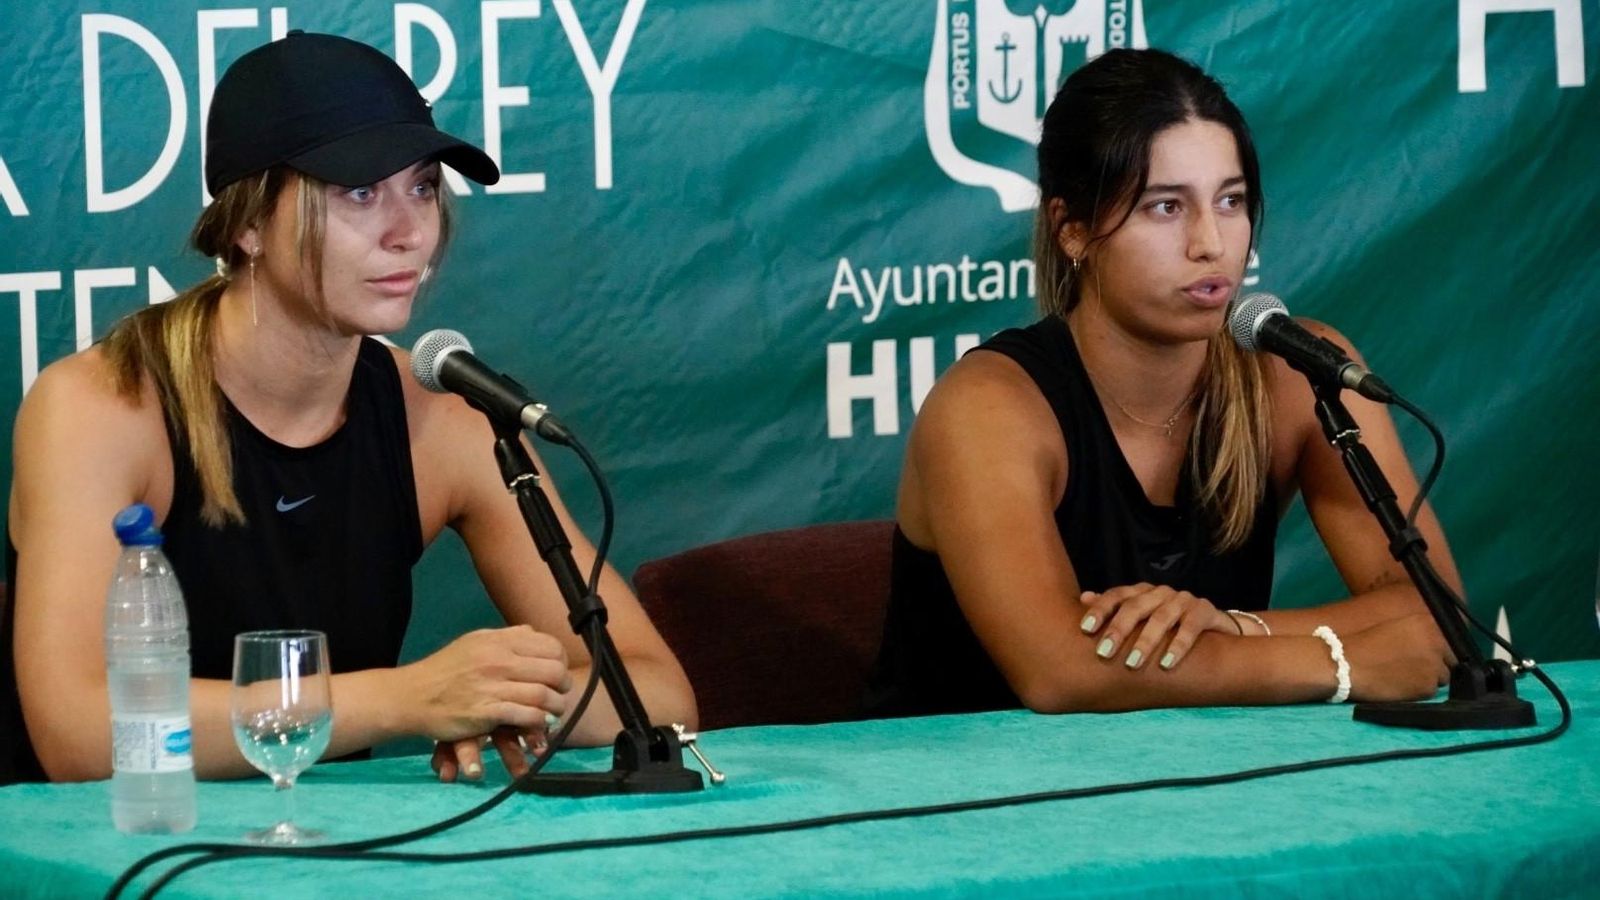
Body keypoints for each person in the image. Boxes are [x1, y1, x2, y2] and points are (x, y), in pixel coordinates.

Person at [2, 32, 695, 784]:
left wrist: (512, 699)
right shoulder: (101, 408)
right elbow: (77, 733)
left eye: (423, 187)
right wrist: (403, 701)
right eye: (360, 193)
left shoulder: (439, 416)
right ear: (249, 224)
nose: (410, 232)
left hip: (327, 855)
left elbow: (656, 688)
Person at [867, 49, 1455, 717]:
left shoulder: (1294, 376)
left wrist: (1230, 628)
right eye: (1166, 207)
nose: (1211, 243)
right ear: (1074, 230)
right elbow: (1060, 671)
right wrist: (1339, 660)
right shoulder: (989, 407)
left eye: (1230, 201)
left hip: (1195, 789)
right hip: (968, 802)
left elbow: (1433, 617)